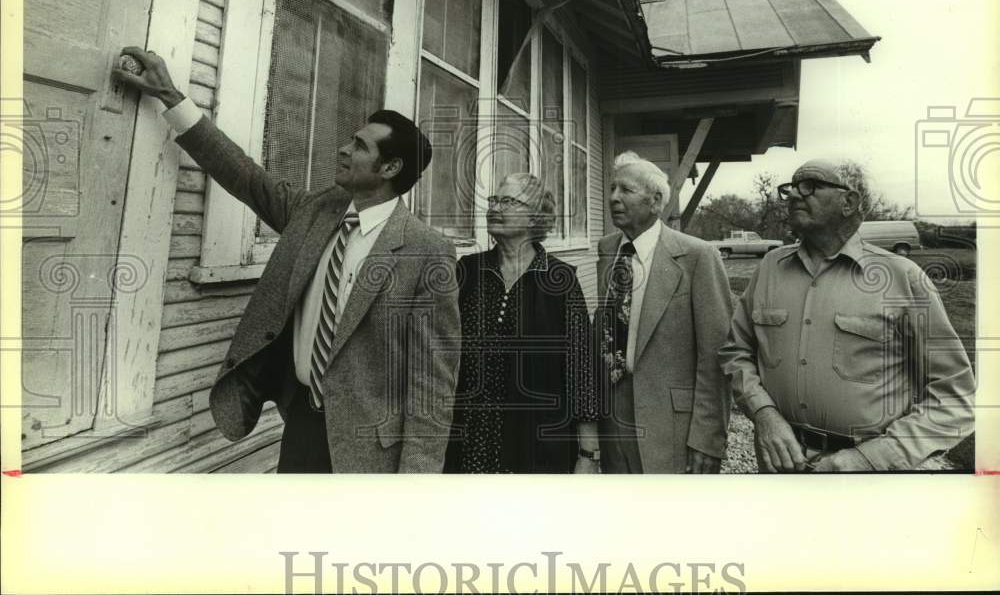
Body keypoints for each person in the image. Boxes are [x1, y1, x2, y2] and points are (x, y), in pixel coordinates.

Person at [113, 47, 460, 473]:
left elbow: (431, 382)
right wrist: (169, 96)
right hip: (301, 424)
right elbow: (245, 176)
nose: (342, 149)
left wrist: (415, 482)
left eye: (359, 146)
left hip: (370, 450)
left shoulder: (428, 252)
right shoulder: (317, 211)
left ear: (390, 168)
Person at [718, 159, 975, 472]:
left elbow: (955, 398)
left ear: (849, 201)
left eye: (810, 186)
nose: (795, 196)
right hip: (778, 463)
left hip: (871, 475)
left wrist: (869, 459)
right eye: (791, 189)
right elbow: (737, 352)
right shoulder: (770, 268)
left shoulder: (902, 277)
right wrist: (764, 415)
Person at [444, 173, 601, 473]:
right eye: (494, 200)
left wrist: (588, 454)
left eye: (508, 201)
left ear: (535, 218)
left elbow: (581, 369)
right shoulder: (467, 272)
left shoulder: (561, 280)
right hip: (470, 440)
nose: (495, 208)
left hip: (538, 443)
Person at [597, 152, 732, 473]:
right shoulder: (607, 250)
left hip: (672, 423)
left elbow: (717, 356)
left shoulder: (697, 256)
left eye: (626, 190)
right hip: (613, 414)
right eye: (612, 188)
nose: (613, 197)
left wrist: (707, 438)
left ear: (656, 201)